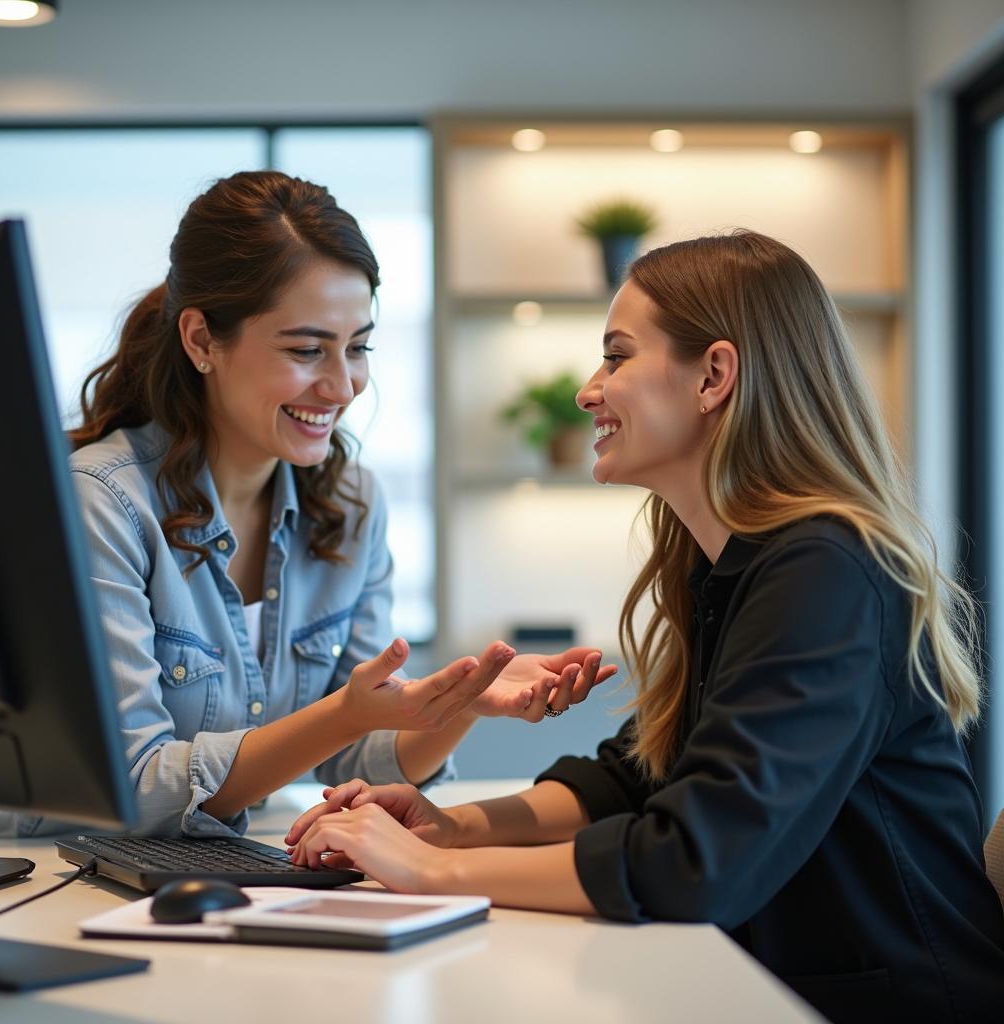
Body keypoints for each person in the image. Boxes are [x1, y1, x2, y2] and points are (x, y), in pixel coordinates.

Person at [284, 230, 1004, 1023]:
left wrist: (433, 872)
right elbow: (643, 775)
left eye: (617, 356)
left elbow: (695, 862)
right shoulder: (731, 562)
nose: (590, 391)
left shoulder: (827, 571)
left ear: (714, 376)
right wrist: (451, 829)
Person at [0, 170, 614, 840]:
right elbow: (134, 787)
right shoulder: (102, 503)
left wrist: (458, 705)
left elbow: (359, 758)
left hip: (200, 874)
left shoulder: (351, 503)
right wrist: (345, 712)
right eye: (307, 349)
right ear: (201, 341)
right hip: (58, 880)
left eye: (359, 346)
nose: (343, 385)